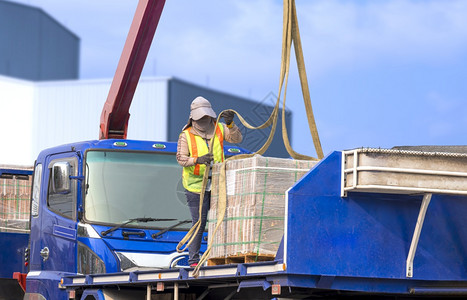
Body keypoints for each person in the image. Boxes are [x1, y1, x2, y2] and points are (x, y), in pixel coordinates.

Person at [176, 96, 242, 267]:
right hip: (195, 187)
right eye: (201, 117)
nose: (204, 120)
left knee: (221, 218)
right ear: (193, 118)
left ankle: (219, 255)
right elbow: (181, 159)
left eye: (206, 117)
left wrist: (230, 124)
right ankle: (193, 260)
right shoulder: (186, 135)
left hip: (218, 184)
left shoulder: (219, 128)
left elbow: (237, 139)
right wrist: (198, 160)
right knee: (199, 221)